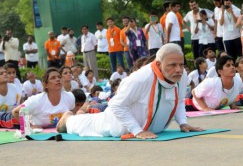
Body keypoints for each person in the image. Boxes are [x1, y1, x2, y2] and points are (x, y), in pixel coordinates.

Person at [56, 43, 202, 138]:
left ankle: (80, 114)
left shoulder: (181, 75)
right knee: (85, 126)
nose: (178, 69)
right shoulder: (141, 78)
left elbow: (180, 100)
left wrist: (183, 123)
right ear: (158, 64)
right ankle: (69, 118)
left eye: (181, 64)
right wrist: (137, 130)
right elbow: (116, 106)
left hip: (154, 129)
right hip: (118, 124)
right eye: (173, 65)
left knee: (91, 120)